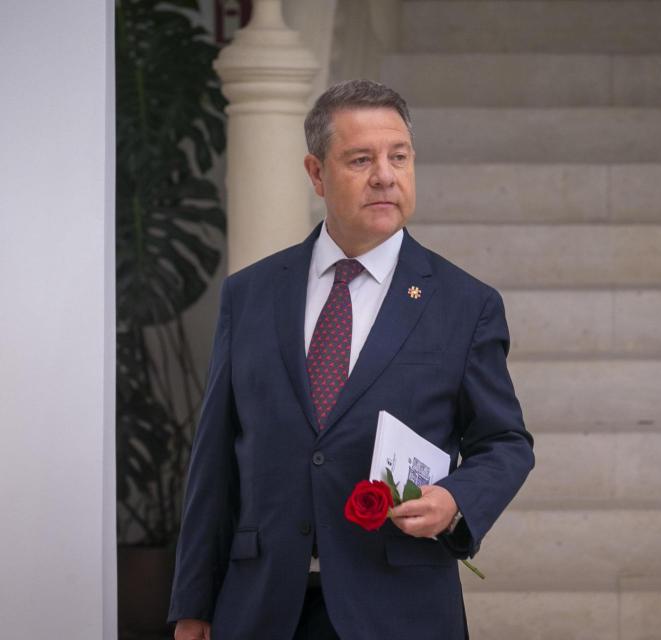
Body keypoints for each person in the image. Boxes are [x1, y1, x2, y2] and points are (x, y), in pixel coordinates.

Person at [168, 79, 534, 640]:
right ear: (316, 173)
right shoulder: (251, 294)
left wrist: (456, 499)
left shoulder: (465, 304)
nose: (385, 175)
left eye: (399, 157)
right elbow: (215, 460)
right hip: (262, 606)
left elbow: (505, 442)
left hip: (399, 606)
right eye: (361, 159)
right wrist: (193, 605)